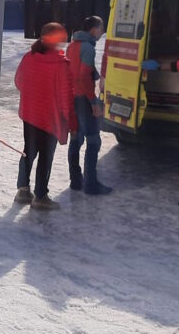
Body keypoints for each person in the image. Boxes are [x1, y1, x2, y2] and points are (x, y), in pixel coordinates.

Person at [14, 22, 74, 210]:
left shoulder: (29, 57)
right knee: (45, 156)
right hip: (51, 119)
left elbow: (19, 81)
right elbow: (65, 98)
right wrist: (71, 121)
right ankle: (40, 196)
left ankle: (23, 190)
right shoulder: (61, 65)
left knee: (29, 151)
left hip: (30, 115)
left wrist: (32, 95)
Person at [66, 15, 113, 195]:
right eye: (101, 28)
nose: (102, 32)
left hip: (72, 97)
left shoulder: (72, 46)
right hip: (83, 99)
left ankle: (75, 180)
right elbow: (83, 76)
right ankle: (91, 184)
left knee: (76, 138)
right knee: (93, 140)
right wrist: (93, 101)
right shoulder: (87, 48)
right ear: (93, 29)